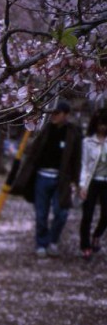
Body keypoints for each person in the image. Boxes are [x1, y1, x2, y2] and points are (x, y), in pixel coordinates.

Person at [12, 100, 83, 258]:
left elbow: (76, 159)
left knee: (62, 212)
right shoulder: (45, 130)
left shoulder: (73, 133)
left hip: (61, 179)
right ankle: (41, 243)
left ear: (66, 115)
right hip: (42, 177)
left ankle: (53, 240)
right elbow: (33, 153)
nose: (54, 117)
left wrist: (76, 181)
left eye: (57, 113)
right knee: (41, 214)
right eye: (52, 114)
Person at [78, 109, 107, 259]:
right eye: (101, 124)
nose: (103, 127)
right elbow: (84, 165)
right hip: (92, 181)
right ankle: (85, 245)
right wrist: (83, 185)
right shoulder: (88, 142)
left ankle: (97, 235)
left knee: (106, 214)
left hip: (105, 182)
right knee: (87, 215)